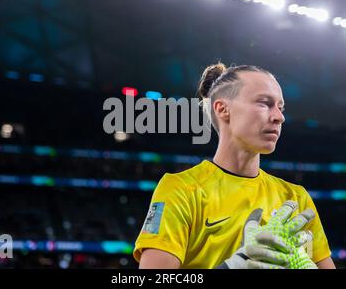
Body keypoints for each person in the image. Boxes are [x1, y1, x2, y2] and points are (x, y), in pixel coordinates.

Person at [133, 63, 335, 269]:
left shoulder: (295, 198)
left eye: (280, 107)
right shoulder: (181, 190)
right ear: (223, 109)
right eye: (265, 103)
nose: (279, 117)